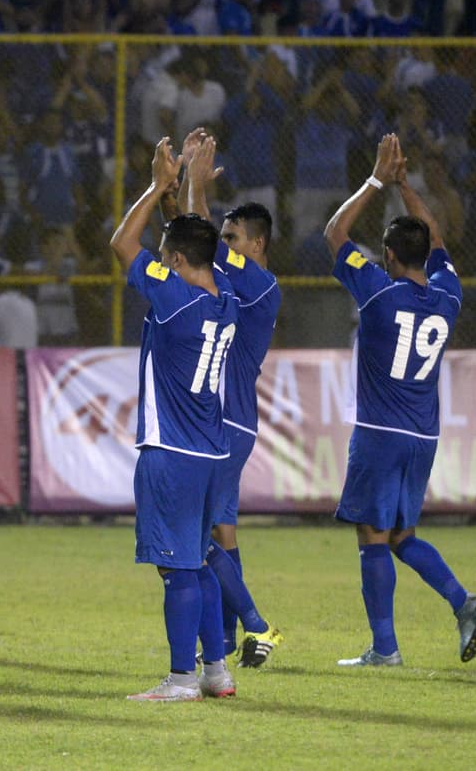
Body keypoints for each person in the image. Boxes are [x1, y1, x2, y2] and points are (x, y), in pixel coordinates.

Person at [324, 134, 476, 667]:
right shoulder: (449, 293)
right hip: (423, 435)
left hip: (379, 435)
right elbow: (437, 237)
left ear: (389, 255)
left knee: (373, 537)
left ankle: (385, 650)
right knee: (401, 535)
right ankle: (463, 602)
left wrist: (377, 179)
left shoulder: (375, 289)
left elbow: (335, 232)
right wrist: (406, 186)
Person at [109, 137, 238, 702]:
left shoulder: (175, 298)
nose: (158, 263)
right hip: (211, 453)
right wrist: (191, 190)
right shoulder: (223, 293)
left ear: (177, 264)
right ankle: (216, 671)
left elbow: (122, 242)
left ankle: (181, 678)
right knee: (203, 559)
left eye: (166, 259)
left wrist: (161, 185)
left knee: (177, 569)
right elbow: (192, 237)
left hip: (172, 453)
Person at [174, 133, 285, 668]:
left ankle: (259, 627)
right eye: (225, 236)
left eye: (235, 237)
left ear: (257, 244)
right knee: (219, 530)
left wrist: (194, 185)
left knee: (197, 536)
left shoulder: (262, 288)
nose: (226, 244)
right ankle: (219, 643)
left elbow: (205, 247)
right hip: (219, 422)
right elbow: (197, 245)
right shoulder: (232, 282)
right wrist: (187, 190)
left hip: (230, 423)